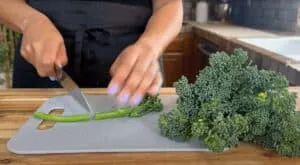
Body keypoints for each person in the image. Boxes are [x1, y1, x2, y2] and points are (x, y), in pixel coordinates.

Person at [0, 0, 183, 105]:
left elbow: (169, 4)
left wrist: (149, 47)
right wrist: (30, 21)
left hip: (134, 72)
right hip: (43, 64)